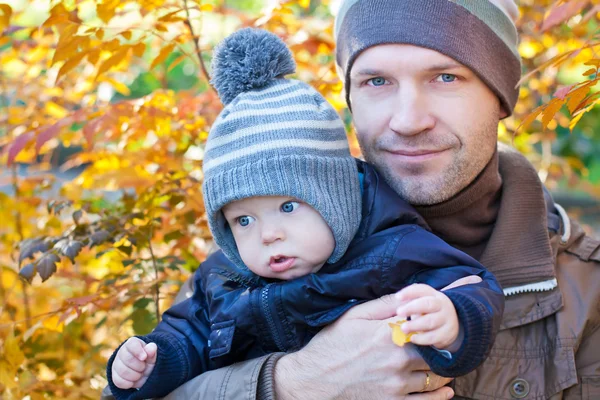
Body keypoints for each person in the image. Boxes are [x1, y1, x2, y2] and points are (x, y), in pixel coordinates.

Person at [136, 0, 600, 399]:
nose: (408, 119)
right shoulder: (255, 261)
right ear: (351, 97)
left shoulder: (589, 293)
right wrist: (292, 384)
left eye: (445, 76)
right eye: (377, 81)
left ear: (501, 95)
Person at [104, 28, 504, 400]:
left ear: (337, 198)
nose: (268, 234)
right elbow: (186, 335)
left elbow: (469, 287)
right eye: (243, 220)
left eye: (288, 206)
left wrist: (452, 320)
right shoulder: (222, 280)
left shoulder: (392, 249)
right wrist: (150, 363)